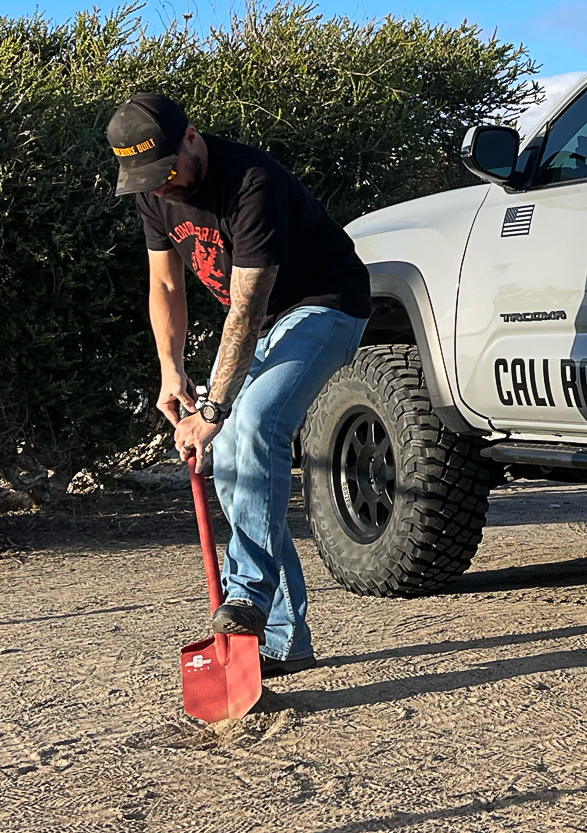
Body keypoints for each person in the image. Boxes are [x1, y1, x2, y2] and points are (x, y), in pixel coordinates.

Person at [107, 93, 371, 676]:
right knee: (227, 456)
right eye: (149, 178)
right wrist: (171, 370)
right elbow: (166, 288)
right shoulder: (156, 192)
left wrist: (215, 405)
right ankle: (281, 639)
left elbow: (246, 311)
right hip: (261, 324)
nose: (164, 185)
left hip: (324, 306)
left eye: (169, 169)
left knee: (252, 425)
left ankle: (248, 594)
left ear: (193, 138)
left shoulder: (252, 181)